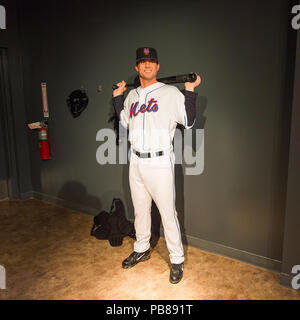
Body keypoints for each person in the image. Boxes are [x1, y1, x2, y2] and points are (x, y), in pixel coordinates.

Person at [112, 47, 201, 284]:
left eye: (151, 61)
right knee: (140, 210)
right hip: (136, 161)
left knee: (167, 214)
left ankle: (177, 259)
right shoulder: (132, 96)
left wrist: (190, 91)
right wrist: (117, 96)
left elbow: (189, 121)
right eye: (143, 62)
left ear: (158, 66)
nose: (147, 65)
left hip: (160, 161)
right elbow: (123, 120)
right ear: (137, 67)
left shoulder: (171, 92)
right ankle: (141, 248)